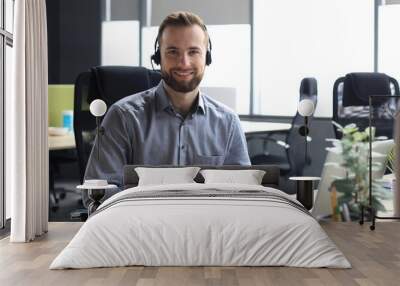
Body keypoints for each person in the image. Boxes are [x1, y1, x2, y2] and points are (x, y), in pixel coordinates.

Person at [84, 11, 250, 203]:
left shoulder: (228, 123)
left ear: (207, 57)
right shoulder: (123, 117)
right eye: (173, 52)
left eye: (193, 52)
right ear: (158, 57)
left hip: (208, 229)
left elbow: (244, 195)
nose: (184, 62)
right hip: (141, 230)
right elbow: (97, 195)